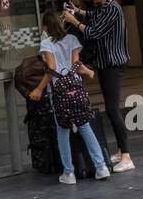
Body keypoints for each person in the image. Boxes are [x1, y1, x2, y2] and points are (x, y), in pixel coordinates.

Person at [62, 0, 134, 172]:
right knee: (111, 109)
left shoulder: (112, 8)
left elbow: (93, 32)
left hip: (113, 65)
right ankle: (121, 151)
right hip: (105, 64)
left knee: (112, 109)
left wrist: (73, 20)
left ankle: (127, 156)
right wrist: (78, 11)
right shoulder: (104, 7)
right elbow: (94, 17)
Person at [32, 10, 110, 184]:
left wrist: (38, 89)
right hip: (77, 89)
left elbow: (51, 67)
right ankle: (101, 166)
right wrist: (88, 72)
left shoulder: (46, 44)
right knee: (85, 127)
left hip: (59, 93)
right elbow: (76, 65)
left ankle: (69, 173)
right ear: (61, 24)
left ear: (45, 27)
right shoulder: (73, 40)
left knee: (63, 132)